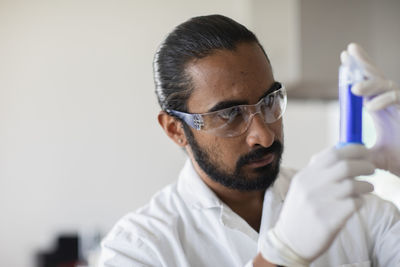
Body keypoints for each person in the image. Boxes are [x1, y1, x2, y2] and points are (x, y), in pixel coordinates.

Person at [99, 15, 400, 267]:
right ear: (176, 129)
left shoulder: (357, 210)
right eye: (230, 115)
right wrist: (281, 254)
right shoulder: (138, 248)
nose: (264, 134)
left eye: (269, 102)